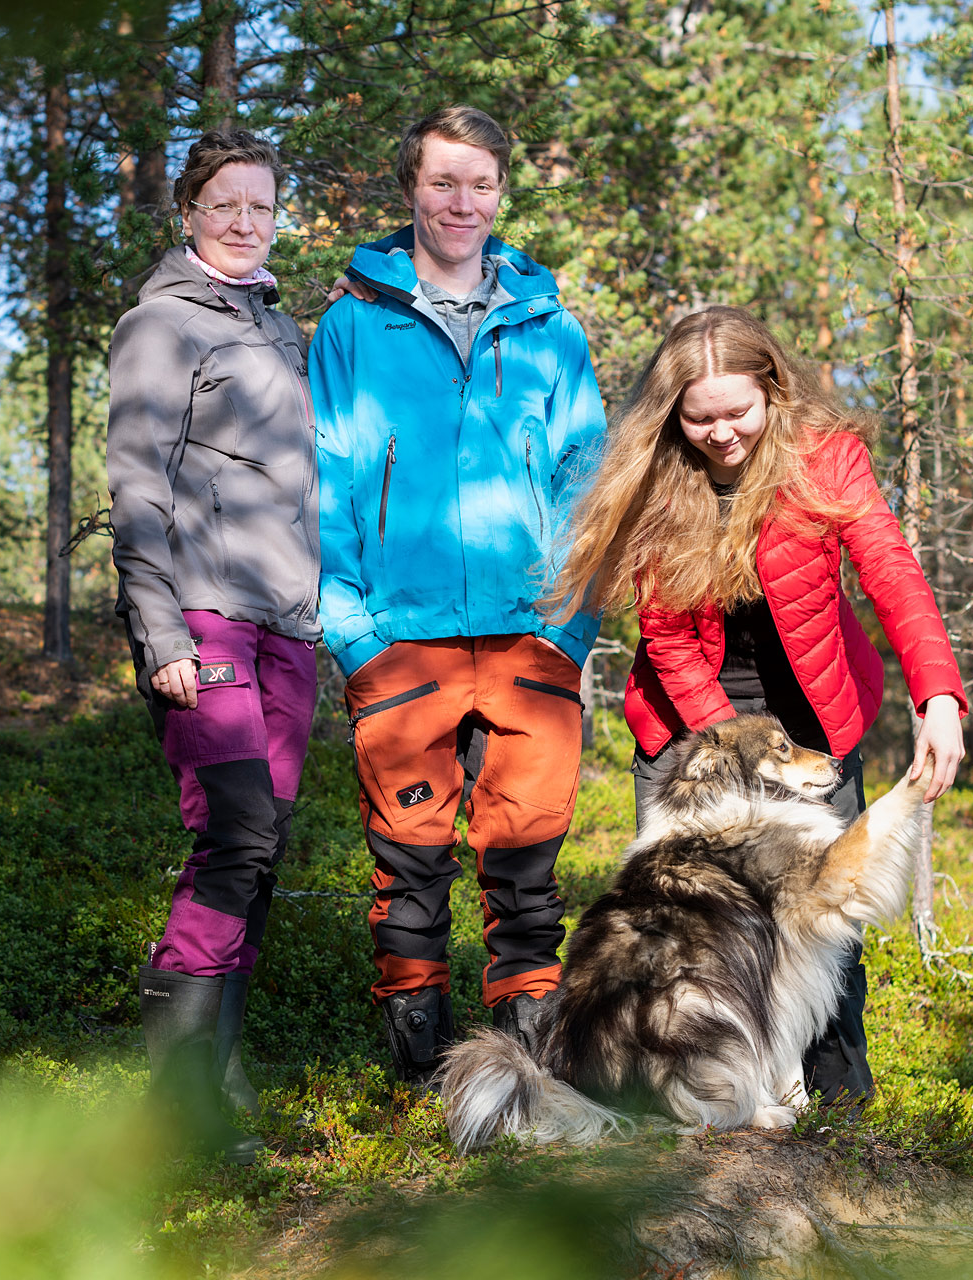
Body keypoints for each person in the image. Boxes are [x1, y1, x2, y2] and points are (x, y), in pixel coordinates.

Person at [545, 304, 967, 1103]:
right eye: (699, 418)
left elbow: (892, 571)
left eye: (738, 412)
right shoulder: (659, 479)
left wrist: (938, 695)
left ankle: (843, 1104)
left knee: (822, 915)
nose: (721, 434)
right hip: (690, 726)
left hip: (814, 715)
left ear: (772, 390)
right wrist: (732, 760)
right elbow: (668, 641)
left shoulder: (827, 460)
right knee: (685, 926)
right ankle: (677, 1100)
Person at [312, 105, 608, 1087]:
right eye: (443, 182)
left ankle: (529, 1076)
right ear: (409, 189)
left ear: (500, 191)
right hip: (400, 637)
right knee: (408, 865)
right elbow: (323, 478)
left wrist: (568, 626)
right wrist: (353, 634)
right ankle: (419, 1085)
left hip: (530, 636)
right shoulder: (352, 322)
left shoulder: (547, 324)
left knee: (525, 874)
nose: (461, 202)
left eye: (479, 183)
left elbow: (586, 480)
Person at [107, 130, 318, 1160]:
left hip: (288, 626)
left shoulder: (277, 327)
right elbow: (136, 488)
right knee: (231, 837)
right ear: (188, 212)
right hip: (203, 616)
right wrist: (157, 630)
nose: (243, 223)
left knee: (261, 852)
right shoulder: (161, 324)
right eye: (224, 205)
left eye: (260, 207)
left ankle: (220, 1081)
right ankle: (174, 1106)